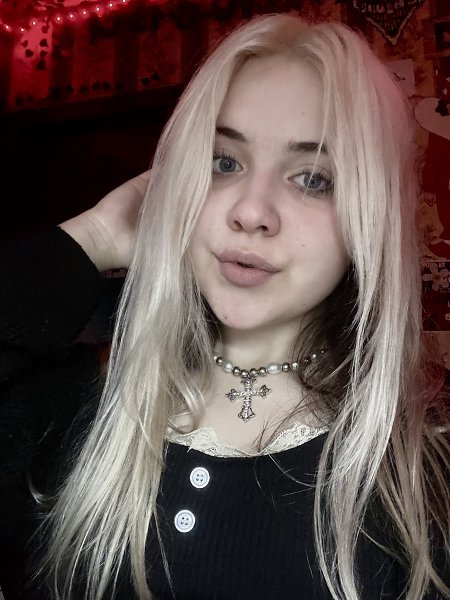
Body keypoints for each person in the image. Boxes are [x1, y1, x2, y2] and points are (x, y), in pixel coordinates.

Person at [1, 13, 449, 600]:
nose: (251, 211)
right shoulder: (75, 410)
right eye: (223, 162)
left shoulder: (420, 480)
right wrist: (91, 239)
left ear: (370, 215)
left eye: (313, 178)